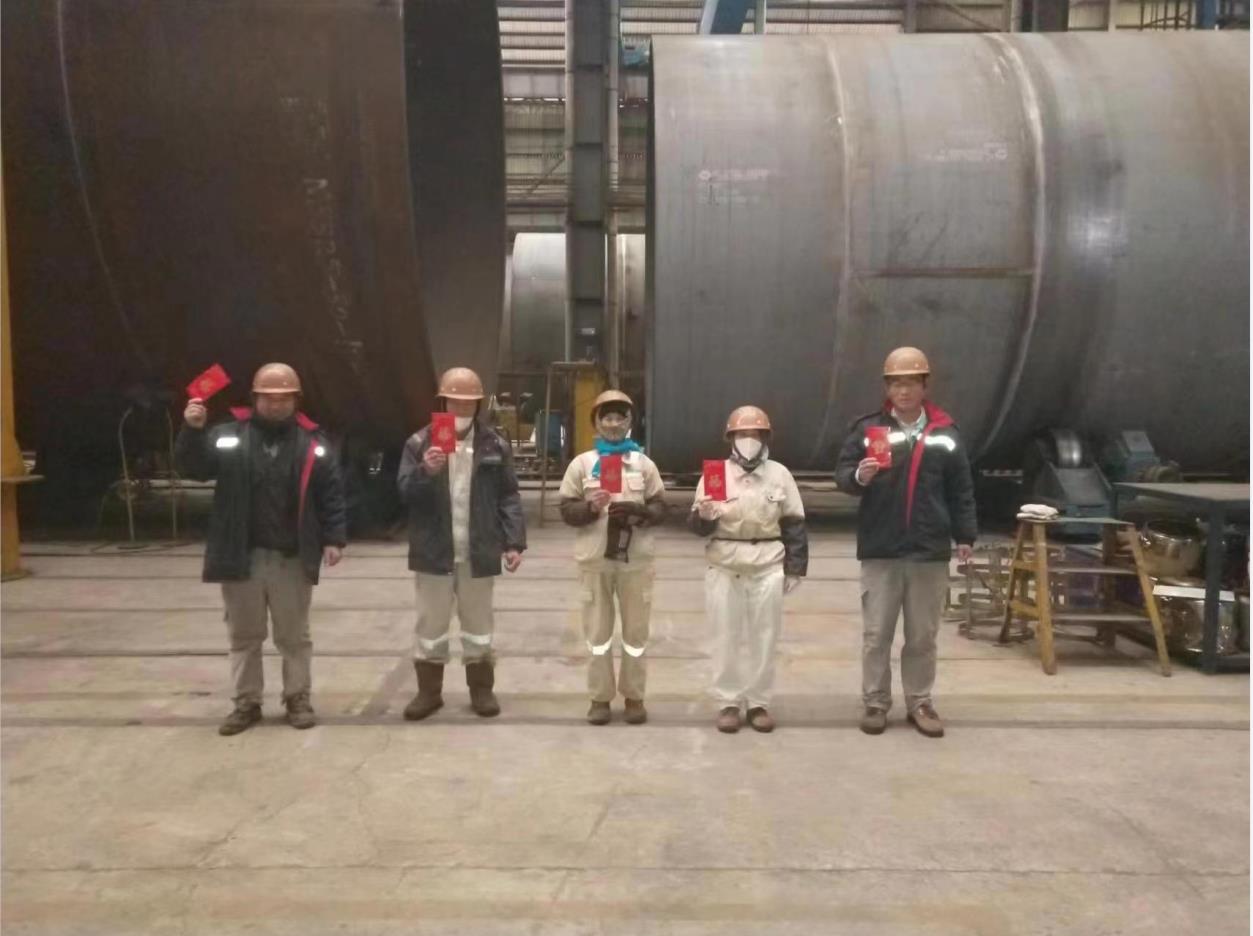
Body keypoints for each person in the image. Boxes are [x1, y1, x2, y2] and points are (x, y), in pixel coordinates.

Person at [177, 362, 346, 736]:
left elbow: (331, 493)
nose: (276, 404)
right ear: (255, 398)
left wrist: (334, 538)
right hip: (242, 556)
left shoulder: (313, 442)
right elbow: (195, 467)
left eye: (284, 398)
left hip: (291, 558)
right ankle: (246, 703)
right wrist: (192, 430)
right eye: (269, 398)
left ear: (296, 400)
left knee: (294, 636)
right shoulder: (229, 435)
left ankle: (297, 698)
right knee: (244, 636)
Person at [834, 347, 976, 739]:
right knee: (876, 634)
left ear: (924, 386)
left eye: (911, 382)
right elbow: (842, 474)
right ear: (887, 388)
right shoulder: (868, 430)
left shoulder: (946, 433)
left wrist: (965, 535)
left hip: (929, 551)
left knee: (922, 637)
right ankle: (876, 702)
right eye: (896, 383)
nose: (903, 390)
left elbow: (961, 488)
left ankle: (920, 701)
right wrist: (859, 477)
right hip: (881, 548)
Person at [396, 367, 526, 720]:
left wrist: (513, 542)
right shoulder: (419, 443)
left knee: (479, 626)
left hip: (477, 551)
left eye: (469, 403)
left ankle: (481, 690)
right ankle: (429, 693)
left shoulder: (494, 445)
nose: (461, 408)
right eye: (454, 402)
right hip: (433, 552)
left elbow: (509, 495)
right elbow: (403, 493)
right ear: (443, 402)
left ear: (479, 404)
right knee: (431, 627)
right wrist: (425, 472)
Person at [689, 406, 807, 734]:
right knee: (724, 635)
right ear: (730, 438)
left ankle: (758, 702)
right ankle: (728, 701)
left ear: (766, 438)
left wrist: (796, 567)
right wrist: (705, 517)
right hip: (724, 564)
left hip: (767, 563)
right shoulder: (715, 474)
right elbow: (697, 528)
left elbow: (794, 522)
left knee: (764, 637)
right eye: (742, 434)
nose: (749, 440)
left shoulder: (779, 475)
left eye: (755, 434)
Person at [558, 390, 667, 725]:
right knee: (598, 634)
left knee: (636, 635)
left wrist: (642, 512)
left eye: (620, 417)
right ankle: (600, 698)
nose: (614, 423)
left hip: (635, 563)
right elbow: (566, 510)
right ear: (596, 422)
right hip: (595, 563)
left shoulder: (644, 465)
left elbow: (661, 507)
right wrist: (590, 508)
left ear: (630, 421)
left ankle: (634, 697)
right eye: (607, 417)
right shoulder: (582, 465)